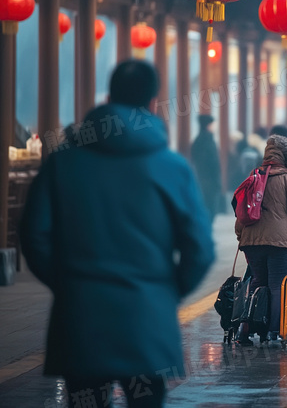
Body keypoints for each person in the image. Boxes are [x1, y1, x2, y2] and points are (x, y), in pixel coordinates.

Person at [20, 61, 214, 408]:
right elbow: (200, 249)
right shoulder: (172, 167)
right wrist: (165, 290)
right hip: (147, 319)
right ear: (154, 103)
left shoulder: (63, 163)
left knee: (87, 400)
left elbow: (34, 235)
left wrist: (67, 283)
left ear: (108, 99)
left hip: (80, 318)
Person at [235, 135, 287, 346]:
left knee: (257, 282)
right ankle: (275, 330)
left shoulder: (254, 175)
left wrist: (241, 234)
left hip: (252, 239)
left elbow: (242, 207)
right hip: (280, 241)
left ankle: (246, 329)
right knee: (277, 285)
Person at [191, 114, 222, 222]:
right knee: (210, 208)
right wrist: (217, 181)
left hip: (201, 179)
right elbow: (214, 163)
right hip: (210, 181)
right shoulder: (209, 141)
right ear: (208, 126)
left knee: (205, 208)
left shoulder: (197, 141)